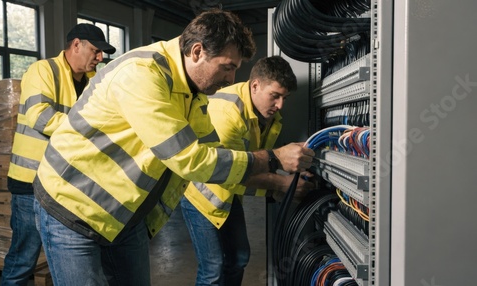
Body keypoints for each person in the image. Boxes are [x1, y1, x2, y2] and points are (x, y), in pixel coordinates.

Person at [32, 9, 314, 285]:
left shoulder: (193, 94)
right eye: (227, 67)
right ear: (197, 52)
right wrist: (274, 159)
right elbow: (190, 160)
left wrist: (278, 176)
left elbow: (217, 157)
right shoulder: (143, 75)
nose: (231, 79)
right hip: (71, 209)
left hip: (122, 217)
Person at [180, 55, 315, 286]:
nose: (280, 105)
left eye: (285, 98)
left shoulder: (269, 116)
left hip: (228, 195)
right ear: (255, 86)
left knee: (239, 258)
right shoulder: (228, 113)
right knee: (213, 268)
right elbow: (230, 171)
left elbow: (260, 159)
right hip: (201, 194)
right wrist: (280, 184)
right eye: (275, 96)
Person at [2, 23, 115, 286]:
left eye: (102, 54)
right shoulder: (43, 70)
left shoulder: (92, 82)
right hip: (30, 181)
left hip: (68, 184)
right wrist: (88, 130)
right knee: (24, 259)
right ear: (76, 44)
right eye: (96, 51)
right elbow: (39, 116)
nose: (100, 58)